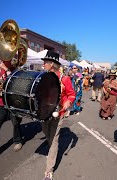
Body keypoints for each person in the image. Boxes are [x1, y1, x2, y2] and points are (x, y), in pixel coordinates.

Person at [41, 51, 75, 180]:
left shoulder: (64, 78)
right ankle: (51, 151)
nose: (43, 64)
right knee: (47, 134)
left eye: (45, 62)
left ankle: (49, 171)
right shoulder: (43, 77)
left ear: (52, 64)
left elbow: (72, 94)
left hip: (57, 113)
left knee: (54, 139)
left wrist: (67, 103)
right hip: (44, 112)